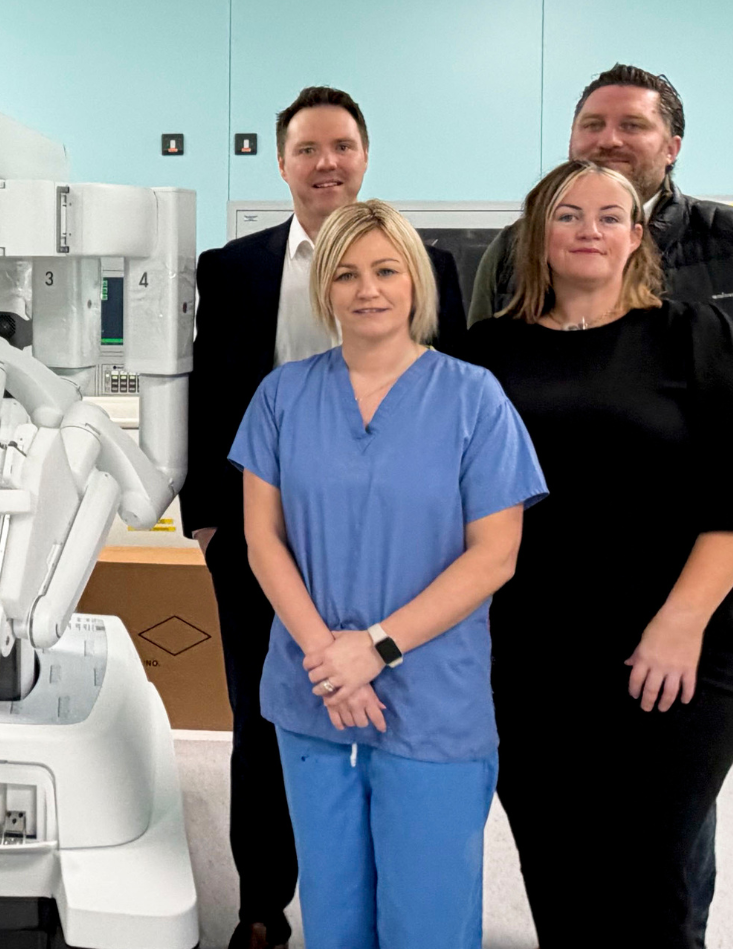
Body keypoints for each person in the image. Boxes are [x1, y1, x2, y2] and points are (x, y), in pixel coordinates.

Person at [449, 160, 733, 948]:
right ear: (536, 236)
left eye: (610, 217)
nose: (589, 231)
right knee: (556, 863)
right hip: (531, 659)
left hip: (681, 653)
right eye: (569, 215)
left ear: (636, 236)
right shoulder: (483, 355)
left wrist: (679, 623)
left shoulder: (695, 337)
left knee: (652, 872)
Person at [181, 85, 464, 949]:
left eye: (341, 145)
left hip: (394, 544)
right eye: (307, 148)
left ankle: (381, 900)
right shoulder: (232, 268)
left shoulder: (429, 269)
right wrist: (208, 518)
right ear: (282, 164)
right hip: (262, 533)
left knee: (387, 703)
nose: (325, 162)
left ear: (365, 155)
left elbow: (448, 402)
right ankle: (263, 904)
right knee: (263, 717)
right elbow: (207, 393)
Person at [228, 200, 544, 949]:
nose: (366, 289)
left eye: (384, 270)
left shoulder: (475, 399)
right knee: (334, 918)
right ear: (324, 290)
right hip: (313, 696)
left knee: (426, 919)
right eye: (345, 273)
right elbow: (262, 539)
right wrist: (329, 659)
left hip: (432, 700)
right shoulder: (282, 397)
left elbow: (495, 555)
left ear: (415, 283)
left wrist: (374, 649)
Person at [465, 63, 733, 433]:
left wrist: (715, 470)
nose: (608, 140)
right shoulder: (514, 247)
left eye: (632, 125)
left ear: (672, 149)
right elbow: (478, 380)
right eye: (593, 125)